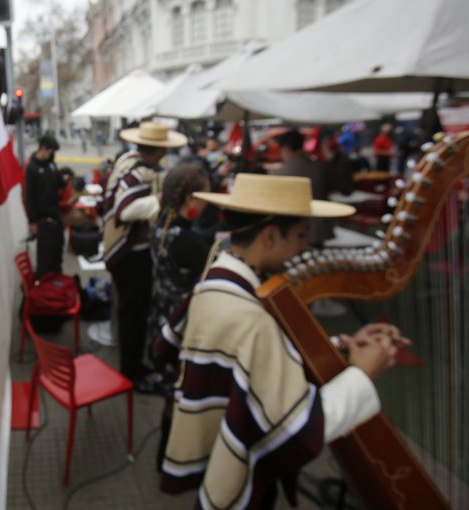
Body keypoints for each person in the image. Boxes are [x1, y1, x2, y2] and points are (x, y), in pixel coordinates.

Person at [159, 173, 408, 508]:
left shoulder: (218, 275)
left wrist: (341, 346)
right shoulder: (250, 315)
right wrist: (362, 375)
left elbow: (254, 362)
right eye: (302, 234)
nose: (305, 246)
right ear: (271, 236)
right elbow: (293, 429)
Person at [102, 121, 188, 392]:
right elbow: (124, 210)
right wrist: (160, 200)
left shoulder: (129, 163)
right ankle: (131, 371)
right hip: (130, 255)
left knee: (133, 313)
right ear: (160, 149)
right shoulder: (139, 173)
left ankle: (134, 365)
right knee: (133, 315)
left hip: (127, 253)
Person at [146, 163, 212, 469]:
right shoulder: (191, 243)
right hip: (183, 320)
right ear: (191, 200)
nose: (210, 201)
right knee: (181, 391)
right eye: (206, 195)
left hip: (162, 314)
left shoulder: (161, 226)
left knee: (171, 393)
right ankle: (173, 457)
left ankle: (164, 455)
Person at [274, 129, 339, 247]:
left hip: (293, 230)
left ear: (287, 149)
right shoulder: (320, 167)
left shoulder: (280, 173)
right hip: (319, 227)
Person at [24, 134, 65, 275]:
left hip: (56, 214)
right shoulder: (32, 167)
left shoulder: (51, 164)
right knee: (46, 254)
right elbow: (29, 196)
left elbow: (57, 182)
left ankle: (57, 280)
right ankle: (44, 283)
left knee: (58, 250)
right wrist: (32, 222)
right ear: (43, 148)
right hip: (42, 217)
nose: (51, 155)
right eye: (50, 151)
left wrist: (64, 179)